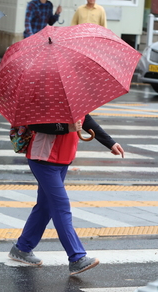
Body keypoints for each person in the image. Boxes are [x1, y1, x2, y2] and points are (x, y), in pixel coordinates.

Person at [8, 115, 125, 275]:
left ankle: (22, 248)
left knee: (45, 206)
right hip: (43, 159)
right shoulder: (45, 94)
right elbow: (35, 123)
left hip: (62, 159)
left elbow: (86, 119)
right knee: (61, 207)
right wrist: (67, 128)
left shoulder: (73, 94)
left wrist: (110, 143)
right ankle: (77, 258)